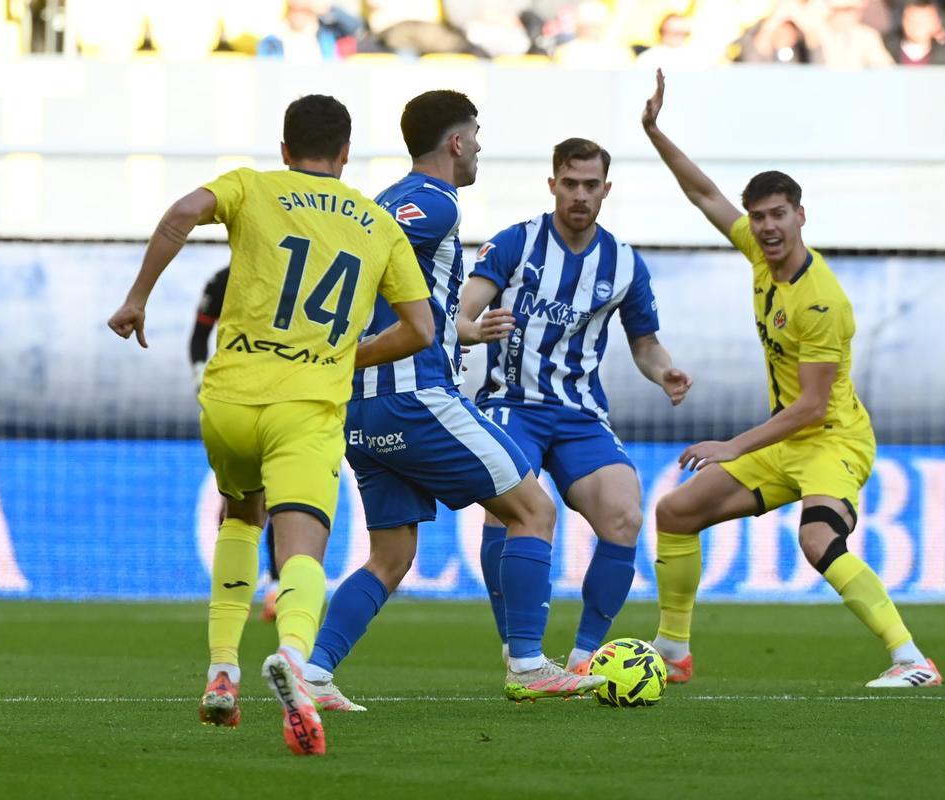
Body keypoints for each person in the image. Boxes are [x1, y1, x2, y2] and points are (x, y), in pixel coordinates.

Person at [108, 94, 435, 755]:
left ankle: (221, 670)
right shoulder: (377, 224)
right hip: (305, 409)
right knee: (301, 551)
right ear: (346, 153)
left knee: (240, 513)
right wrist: (346, 354)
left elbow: (181, 215)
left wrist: (137, 298)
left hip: (227, 402)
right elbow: (421, 330)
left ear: (285, 150)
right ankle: (291, 654)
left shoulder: (251, 186)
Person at [300, 90, 606, 713]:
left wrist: (456, 330)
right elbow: (373, 242)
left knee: (392, 554)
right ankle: (527, 662)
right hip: (412, 395)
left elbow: (380, 282)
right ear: (457, 142)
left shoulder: (387, 201)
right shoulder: (430, 202)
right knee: (533, 510)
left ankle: (314, 670)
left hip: (360, 406)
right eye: (477, 136)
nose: (480, 149)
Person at [640, 70, 942, 689]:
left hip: (831, 439)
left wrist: (731, 445)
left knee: (817, 539)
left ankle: (911, 660)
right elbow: (704, 195)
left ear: (801, 215)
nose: (768, 227)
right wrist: (655, 133)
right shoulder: (759, 251)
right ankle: (673, 650)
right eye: (759, 216)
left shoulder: (820, 301)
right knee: (675, 513)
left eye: (779, 214)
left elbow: (809, 407)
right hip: (786, 442)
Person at [455, 137, 692, 676]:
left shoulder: (624, 264)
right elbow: (464, 308)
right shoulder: (515, 243)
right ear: (553, 184)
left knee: (626, 516)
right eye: (570, 184)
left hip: (581, 413)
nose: (580, 195)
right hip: (511, 404)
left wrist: (665, 371)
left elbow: (645, 343)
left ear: (606, 190)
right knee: (511, 511)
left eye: (591, 185)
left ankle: (585, 659)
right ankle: (517, 646)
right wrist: (471, 329)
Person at [189, 265, 281, 623]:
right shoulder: (223, 280)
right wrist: (201, 379)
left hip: (280, 397)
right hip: (231, 399)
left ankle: (275, 586)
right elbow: (198, 337)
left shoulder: (288, 273)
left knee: (278, 500)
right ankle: (240, 590)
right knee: (239, 506)